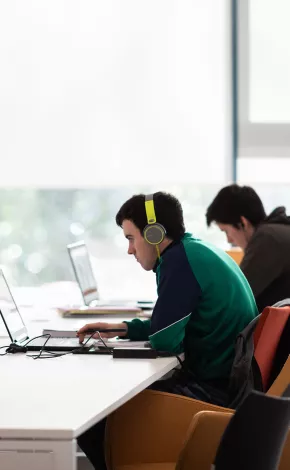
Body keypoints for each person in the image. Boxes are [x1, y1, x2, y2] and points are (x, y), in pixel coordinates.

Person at [77, 191, 257, 470]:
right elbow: (171, 325)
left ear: (153, 234)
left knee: (95, 414)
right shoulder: (192, 250)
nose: (130, 250)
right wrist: (122, 328)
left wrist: (143, 332)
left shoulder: (179, 261)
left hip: (213, 392)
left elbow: (164, 340)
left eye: (130, 238)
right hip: (227, 382)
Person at [206, 184, 290, 312]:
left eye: (226, 231)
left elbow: (236, 296)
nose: (229, 240)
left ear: (243, 222)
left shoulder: (267, 238)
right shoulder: (279, 231)